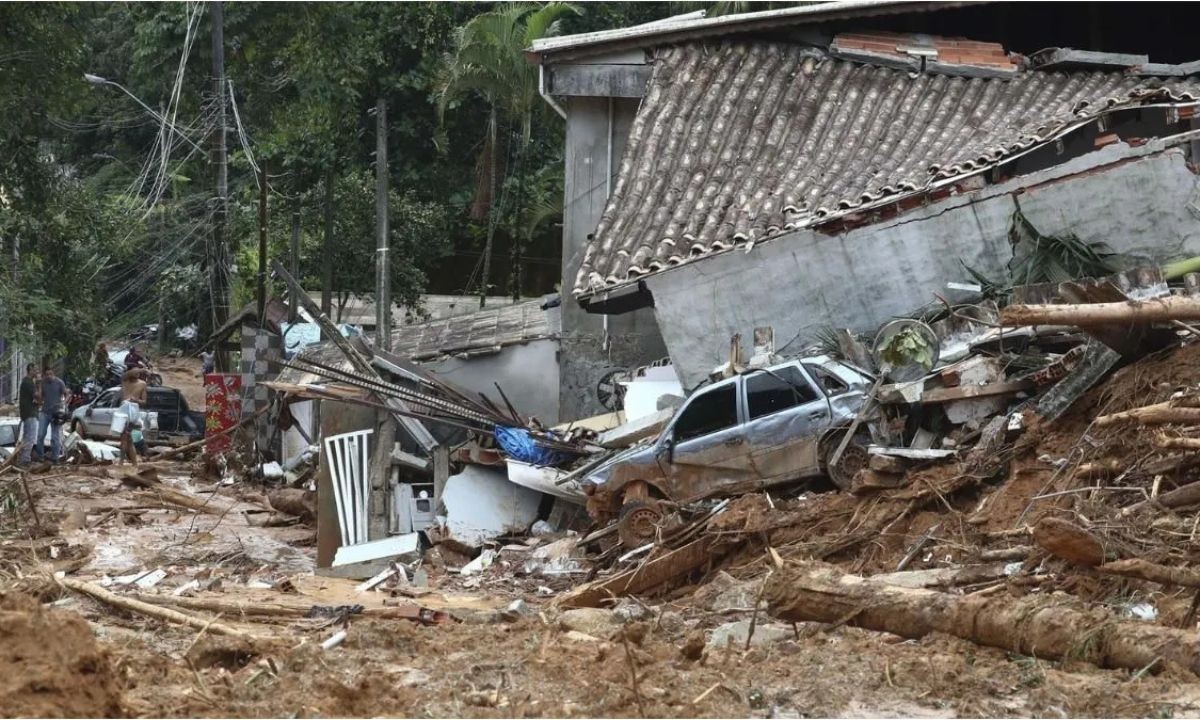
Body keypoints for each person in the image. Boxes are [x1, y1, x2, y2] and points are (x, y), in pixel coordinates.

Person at [35, 366, 68, 463]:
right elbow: (40, 399)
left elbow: (66, 394)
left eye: (51, 374)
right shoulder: (43, 383)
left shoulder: (59, 382)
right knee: (40, 435)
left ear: (53, 374)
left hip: (56, 413)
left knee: (55, 437)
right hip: (45, 412)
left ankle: (55, 458)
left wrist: (64, 403)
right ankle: (40, 457)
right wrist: (39, 387)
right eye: (47, 374)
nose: (49, 376)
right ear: (44, 375)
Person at [118, 368, 149, 466]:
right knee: (125, 440)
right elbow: (124, 375)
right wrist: (141, 369)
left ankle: (127, 463)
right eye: (135, 371)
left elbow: (144, 402)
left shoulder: (142, 384)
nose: (138, 373)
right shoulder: (125, 381)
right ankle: (125, 463)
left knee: (130, 440)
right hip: (124, 412)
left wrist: (135, 400)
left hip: (133, 412)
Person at [17, 364, 38, 466]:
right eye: (35, 370)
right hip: (30, 413)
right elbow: (37, 396)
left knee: (27, 437)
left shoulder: (26, 381)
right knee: (30, 437)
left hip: (27, 413)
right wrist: (40, 383)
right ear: (30, 370)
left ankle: (23, 458)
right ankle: (25, 460)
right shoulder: (28, 382)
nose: (36, 372)